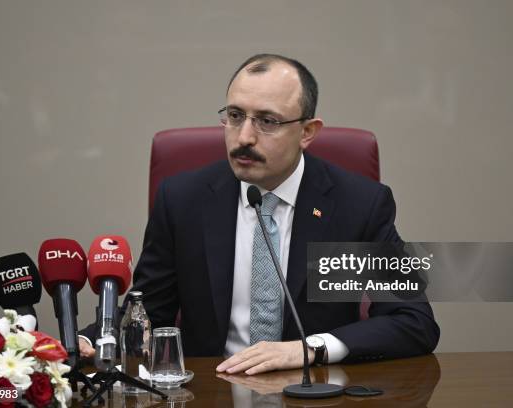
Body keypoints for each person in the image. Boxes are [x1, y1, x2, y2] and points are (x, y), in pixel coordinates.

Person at [79, 54, 439, 374]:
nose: (244, 137)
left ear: (308, 132)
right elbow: (147, 315)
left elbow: (412, 321)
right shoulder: (183, 200)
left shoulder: (357, 205)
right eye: (235, 116)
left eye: (267, 121)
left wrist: (310, 350)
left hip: (315, 390)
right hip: (211, 390)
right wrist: (83, 342)